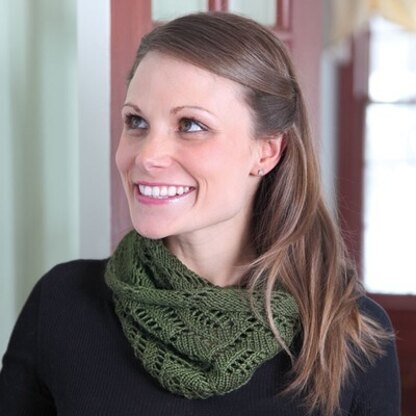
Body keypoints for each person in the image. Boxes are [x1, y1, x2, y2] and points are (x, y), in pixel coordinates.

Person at [0, 12, 400, 416]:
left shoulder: (352, 334)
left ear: (266, 152)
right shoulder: (61, 304)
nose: (147, 156)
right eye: (136, 121)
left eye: (191, 125)